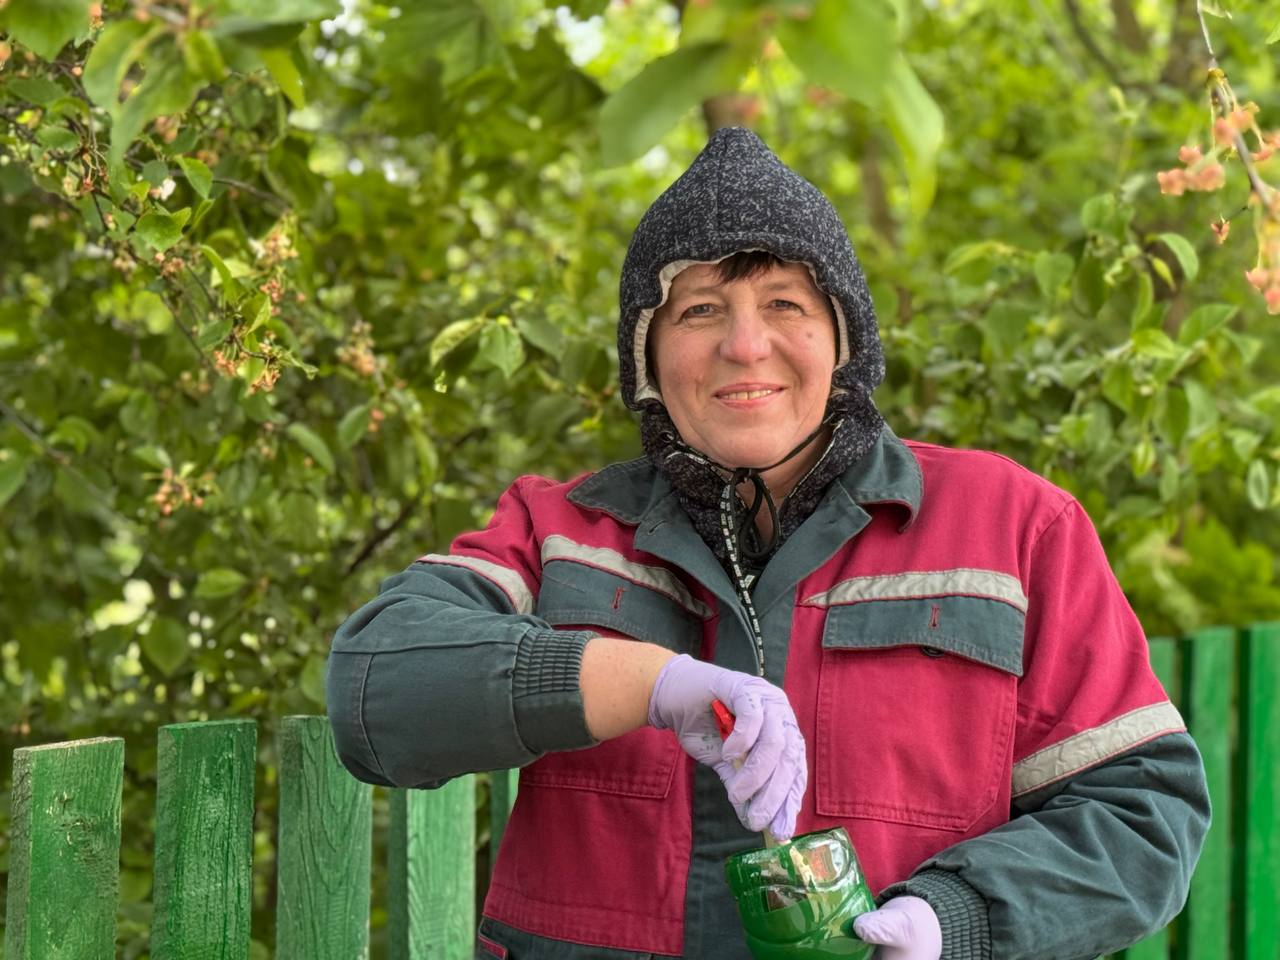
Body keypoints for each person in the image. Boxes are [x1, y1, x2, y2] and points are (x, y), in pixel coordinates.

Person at [326, 128, 1209, 960]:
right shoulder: (561, 530)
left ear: (844, 338)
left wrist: (957, 921)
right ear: (646, 354)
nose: (745, 347)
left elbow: (1142, 812)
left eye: (784, 303)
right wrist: (646, 684)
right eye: (700, 310)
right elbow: (373, 685)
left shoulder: (1013, 526)